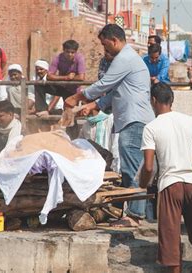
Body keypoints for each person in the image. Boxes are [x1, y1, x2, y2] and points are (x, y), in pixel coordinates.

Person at [65, 24, 155, 227]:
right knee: (130, 166)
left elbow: (104, 84)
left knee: (132, 167)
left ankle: (134, 215)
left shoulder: (125, 58)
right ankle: (132, 212)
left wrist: (77, 96)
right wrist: (93, 104)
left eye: (106, 46)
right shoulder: (126, 59)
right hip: (131, 119)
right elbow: (115, 93)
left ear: (114, 41)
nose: (105, 51)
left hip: (135, 120)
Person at [139, 83, 192, 273]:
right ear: (172, 100)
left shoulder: (151, 127)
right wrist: (188, 157)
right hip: (191, 183)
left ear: (153, 101)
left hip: (170, 183)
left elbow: (148, 166)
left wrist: (143, 183)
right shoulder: (189, 121)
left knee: (171, 237)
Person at [41, 40, 86, 116]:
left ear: (76, 52)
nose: (70, 54)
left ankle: (71, 127)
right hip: (61, 87)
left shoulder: (80, 58)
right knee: (39, 85)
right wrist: (66, 77)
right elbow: (49, 76)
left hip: (73, 90)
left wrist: (72, 78)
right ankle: (42, 109)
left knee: (70, 113)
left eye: (72, 52)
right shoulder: (58, 58)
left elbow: (81, 77)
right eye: (67, 52)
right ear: (63, 50)